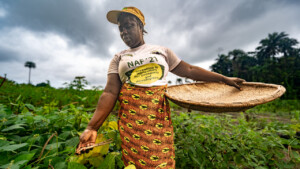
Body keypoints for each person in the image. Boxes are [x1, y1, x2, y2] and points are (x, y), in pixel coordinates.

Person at [76, 6, 245, 169]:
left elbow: (190, 70)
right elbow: (110, 92)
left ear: (141, 27)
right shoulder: (119, 58)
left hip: (157, 118)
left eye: (129, 26)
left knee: (160, 161)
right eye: (121, 29)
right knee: (134, 163)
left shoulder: (161, 51)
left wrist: (223, 78)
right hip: (132, 120)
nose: (124, 32)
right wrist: (92, 127)